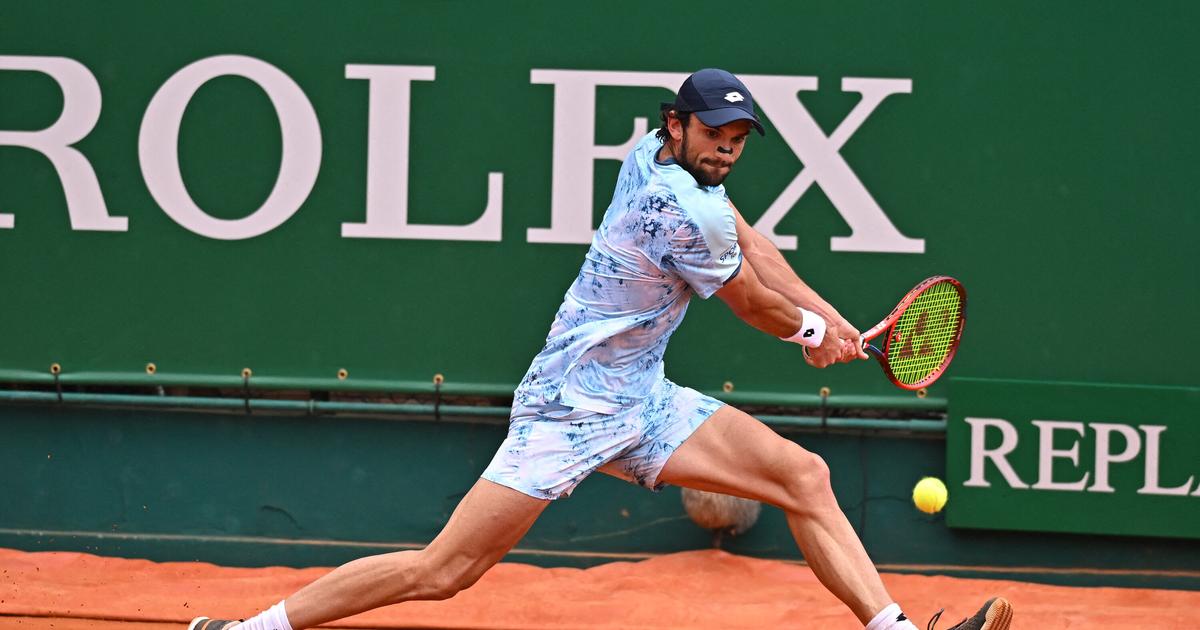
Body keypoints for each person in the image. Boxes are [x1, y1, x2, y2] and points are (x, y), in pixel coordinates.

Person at [190, 68, 1012, 630]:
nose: (727, 146)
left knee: (804, 476)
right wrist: (807, 336)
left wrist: (831, 316)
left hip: (642, 398)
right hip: (569, 408)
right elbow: (751, 301)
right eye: (714, 132)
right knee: (444, 571)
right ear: (677, 125)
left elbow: (753, 243)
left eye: (739, 136)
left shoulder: (670, 165)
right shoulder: (673, 204)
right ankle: (253, 627)